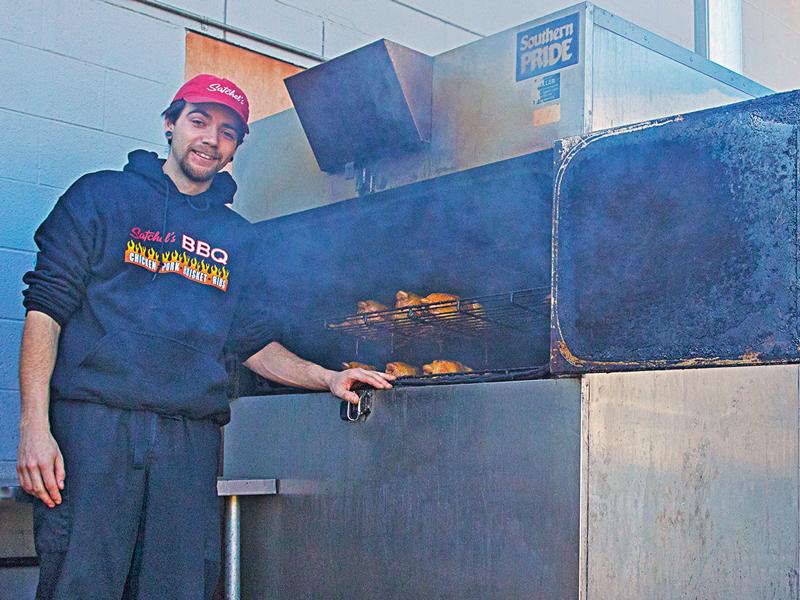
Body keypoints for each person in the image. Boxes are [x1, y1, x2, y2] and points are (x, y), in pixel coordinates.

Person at [16, 74, 394, 599]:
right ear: (170, 124)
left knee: (178, 588)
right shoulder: (101, 196)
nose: (211, 139)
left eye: (228, 131)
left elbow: (254, 344)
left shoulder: (237, 238)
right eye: (199, 121)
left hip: (188, 443)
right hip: (94, 431)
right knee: (81, 585)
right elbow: (45, 311)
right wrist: (35, 426)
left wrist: (328, 376)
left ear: (236, 148)